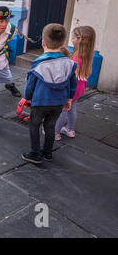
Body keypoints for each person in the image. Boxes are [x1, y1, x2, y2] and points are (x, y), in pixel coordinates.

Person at [22, 24, 78, 164]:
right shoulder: (69, 63)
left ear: (43, 43)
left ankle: (35, 153)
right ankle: (47, 152)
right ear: (63, 43)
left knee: (34, 124)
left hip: (41, 101)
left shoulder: (38, 64)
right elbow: (73, 83)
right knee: (50, 126)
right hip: (59, 101)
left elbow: (30, 86)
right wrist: (70, 99)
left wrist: (27, 98)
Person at [54, 26, 96, 141]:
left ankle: (55, 132)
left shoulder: (75, 59)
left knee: (63, 110)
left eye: (73, 37)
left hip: (70, 89)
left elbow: (67, 77)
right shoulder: (87, 55)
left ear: (79, 40)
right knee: (72, 108)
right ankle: (70, 130)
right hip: (80, 88)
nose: (71, 39)